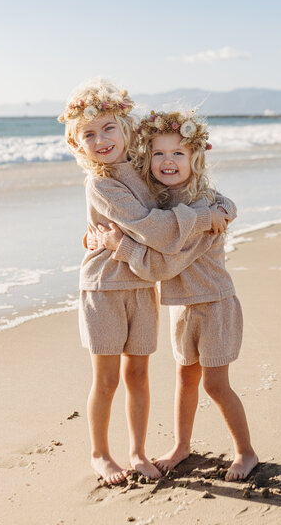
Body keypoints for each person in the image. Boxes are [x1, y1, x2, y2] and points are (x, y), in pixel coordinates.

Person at [58, 84, 228, 485]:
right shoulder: (100, 184)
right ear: (77, 144)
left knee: (138, 374)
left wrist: (223, 208)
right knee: (107, 378)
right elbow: (155, 229)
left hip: (142, 285)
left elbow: (196, 193)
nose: (101, 140)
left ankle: (136, 451)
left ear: (127, 129)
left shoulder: (145, 167)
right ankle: (101, 454)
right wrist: (205, 219)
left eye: (109, 128)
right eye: (89, 134)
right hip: (104, 287)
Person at [94, 110, 258, 481]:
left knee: (216, 384)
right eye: (159, 154)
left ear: (195, 158)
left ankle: (245, 452)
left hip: (215, 303)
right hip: (181, 307)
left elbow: (162, 267)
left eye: (178, 154)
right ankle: (182, 445)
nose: (168, 161)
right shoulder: (161, 204)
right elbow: (149, 226)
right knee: (185, 379)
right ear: (147, 158)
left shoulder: (203, 205)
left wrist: (122, 248)